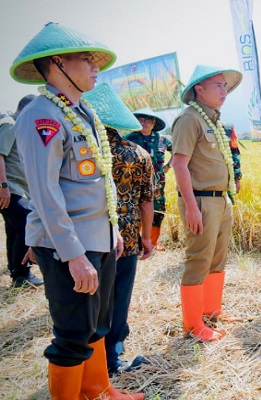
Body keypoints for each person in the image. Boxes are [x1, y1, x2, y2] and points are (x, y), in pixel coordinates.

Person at [10, 22, 144, 399]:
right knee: (72, 335)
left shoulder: (82, 112)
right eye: (86, 59)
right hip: (68, 246)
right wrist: (74, 256)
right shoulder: (42, 115)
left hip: (97, 238)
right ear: (57, 63)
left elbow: (95, 181)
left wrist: (112, 230)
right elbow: (46, 192)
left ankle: (99, 388)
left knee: (98, 325)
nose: (95, 67)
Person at [83, 83, 155, 376]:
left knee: (92, 301)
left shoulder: (84, 152)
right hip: (126, 238)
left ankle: (89, 364)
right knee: (119, 299)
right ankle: (112, 360)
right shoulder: (138, 154)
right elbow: (147, 202)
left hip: (88, 238)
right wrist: (147, 238)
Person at [171, 65, 243, 342]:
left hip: (219, 198)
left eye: (225, 86)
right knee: (199, 259)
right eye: (218, 86)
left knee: (217, 257)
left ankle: (211, 310)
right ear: (198, 90)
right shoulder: (189, 119)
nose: (224, 91)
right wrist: (190, 206)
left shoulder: (212, 120)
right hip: (200, 200)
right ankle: (192, 324)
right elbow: (179, 164)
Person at [0, 94, 44, 288]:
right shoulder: (10, 125)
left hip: (17, 188)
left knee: (15, 229)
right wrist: (3, 187)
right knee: (28, 222)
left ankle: (17, 272)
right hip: (10, 187)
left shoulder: (18, 127)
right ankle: (22, 273)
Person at [126, 108, 171, 251]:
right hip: (135, 184)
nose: (143, 122)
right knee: (135, 211)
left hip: (157, 184)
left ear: (154, 123)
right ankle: (137, 242)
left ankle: (153, 242)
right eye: (140, 119)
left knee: (157, 211)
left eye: (147, 120)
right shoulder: (129, 139)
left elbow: (179, 151)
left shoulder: (163, 139)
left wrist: (169, 166)